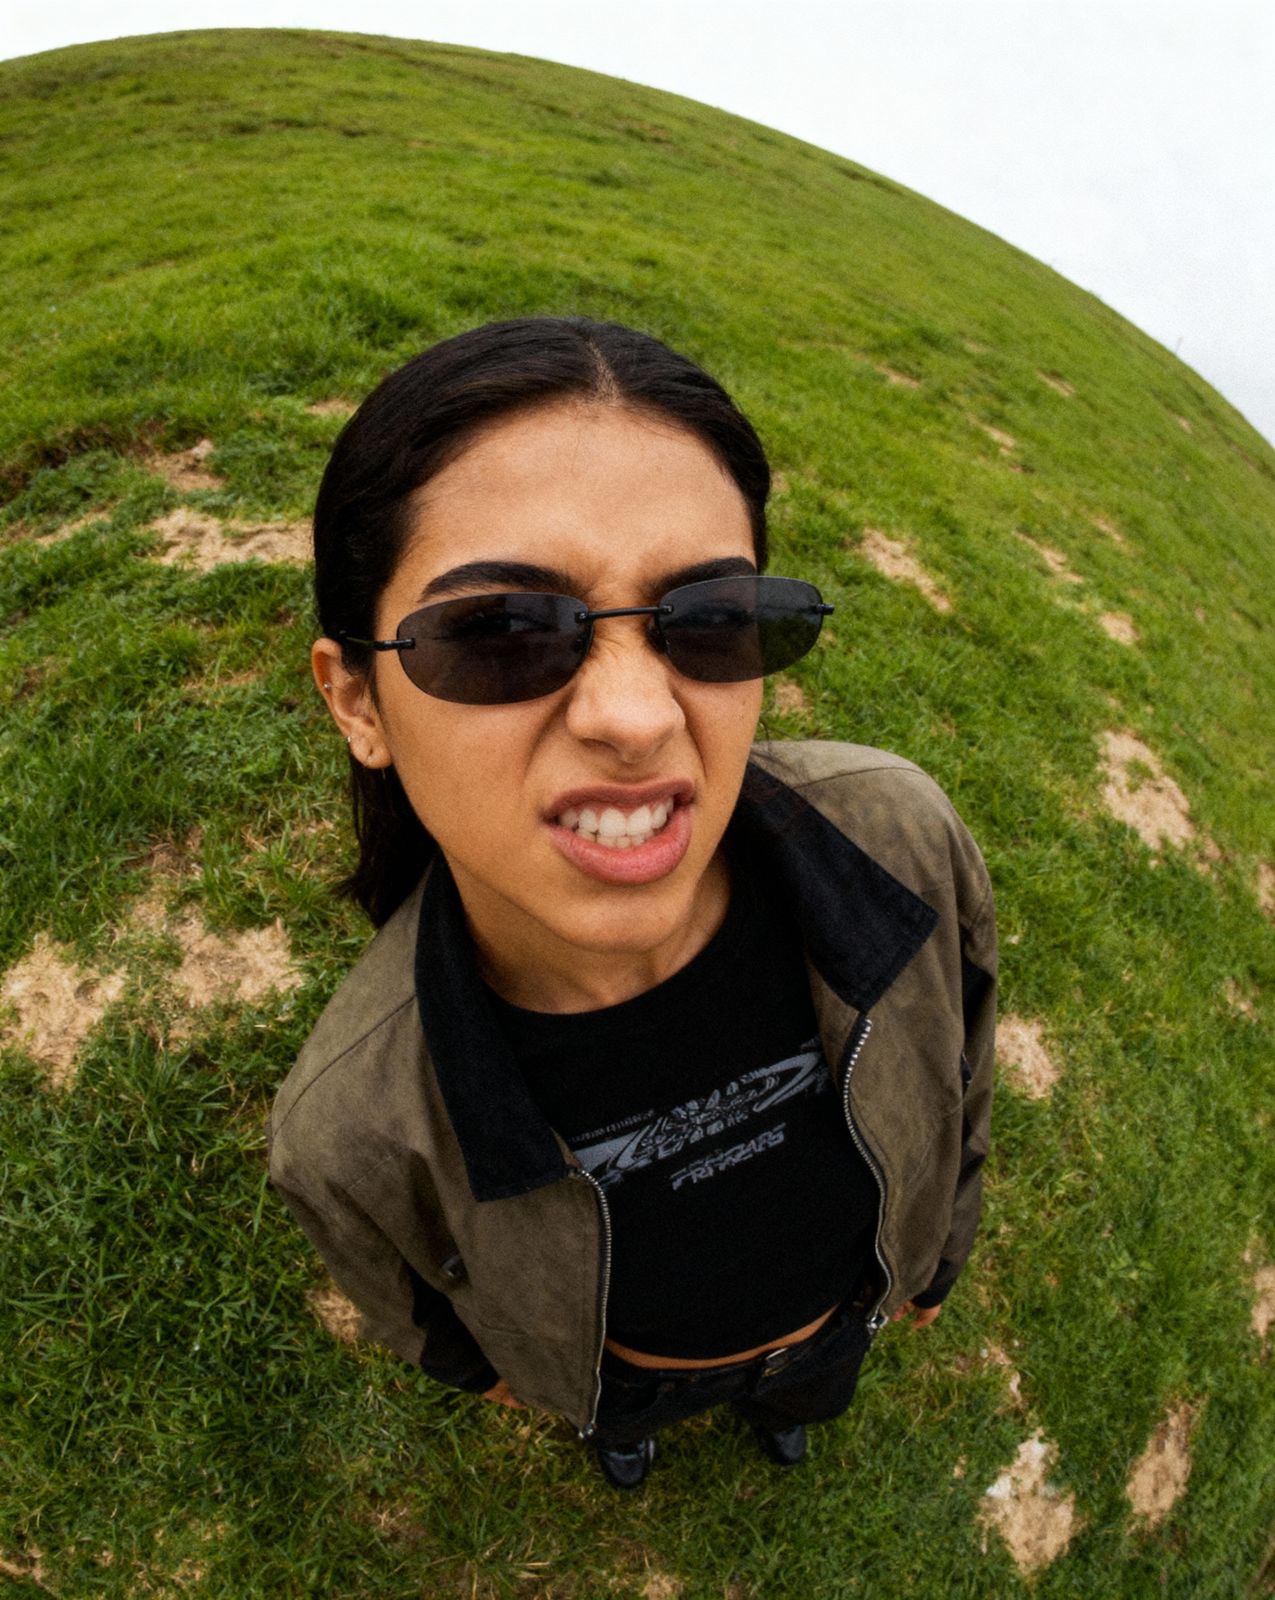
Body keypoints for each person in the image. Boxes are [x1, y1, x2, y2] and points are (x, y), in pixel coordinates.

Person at [268, 316, 996, 1491]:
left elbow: (965, 1060)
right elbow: (416, 1311)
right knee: (627, 1423)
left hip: (842, 1316)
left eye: (706, 618)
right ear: (356, 700)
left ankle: (795, 1404)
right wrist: (536, 1381)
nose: (636, 716)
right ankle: (631, 1429)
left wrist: (936, 1256)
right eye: (500, 629)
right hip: (633, 1369)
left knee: (813, 1387)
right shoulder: (346, 1124)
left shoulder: (905, 837)